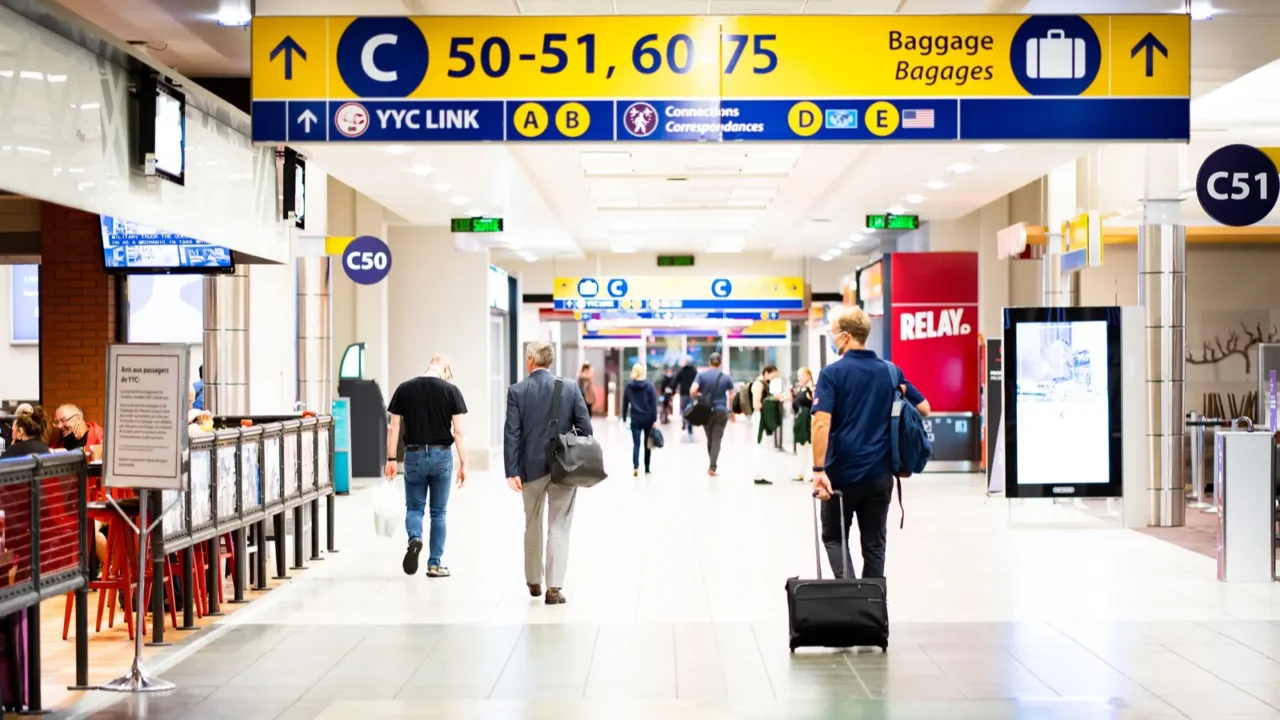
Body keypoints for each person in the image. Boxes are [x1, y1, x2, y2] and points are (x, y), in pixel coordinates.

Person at [811, 307, 930, 580]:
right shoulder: (890, 372)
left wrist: (819, 470)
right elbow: (924, 408)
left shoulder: (831, 374)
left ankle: (849, 598)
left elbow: (820, 423)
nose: (831, 337)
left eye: (832, 333)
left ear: (845, 336)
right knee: (875, 546)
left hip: (840, 475)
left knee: (834, 538)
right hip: (880, 475)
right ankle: (872, 611)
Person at [505, 341, 593, 605]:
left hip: (530, 469)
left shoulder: (517, 391)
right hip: (564, 468)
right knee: (559, 526)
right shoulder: (569, 388)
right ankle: (554, 589)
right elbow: (586, 429)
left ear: (531, 360)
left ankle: (534, 581)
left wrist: (512, 470)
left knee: (532, 523)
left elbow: (512, 432)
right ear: (550, 361)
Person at [385, 355, 468, 579]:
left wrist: (391, 459)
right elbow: (458, 432)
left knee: (414, 508)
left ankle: (414, 538)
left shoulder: (404, 389)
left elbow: (394, 426)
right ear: (445, 368)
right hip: (441, 455)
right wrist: (464, 463)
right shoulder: (451, 391)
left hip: (413, 455)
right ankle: (434, 565)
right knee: (439, 512)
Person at [690, 353, 735, 476]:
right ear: (720, 363)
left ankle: (712, 464)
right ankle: (712, 466)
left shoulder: (701, 376)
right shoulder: (727, 378)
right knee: (717, 439)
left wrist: (700, 395)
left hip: (706, 411)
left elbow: (692, 391)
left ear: (709, 362)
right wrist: (732, 412)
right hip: (721, 411)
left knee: (710, 438)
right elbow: (732, 396)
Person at [621, 362, 659, 477]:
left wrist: (624, 418)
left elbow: (625, 404)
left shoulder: (629, 386)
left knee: (636, 444)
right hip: (648, 418)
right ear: (643, 372)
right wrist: (655, 419)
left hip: (635, 419)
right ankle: (647, 468)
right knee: (647, 444)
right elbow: (653, 405)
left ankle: (635, 467)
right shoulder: (650, 386)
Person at [747, 364, 779, 485]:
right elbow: (757, 404)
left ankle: (760, 473)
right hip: (759, 417)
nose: (772, 379)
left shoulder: (762, 384)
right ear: (766, 373)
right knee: (759, 444)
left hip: (760, 416)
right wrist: (769, 401)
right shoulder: (759, 384)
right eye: (772, 376)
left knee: (761, 444)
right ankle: (758, 474)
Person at [791, 367, 816, 482]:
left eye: (802, 375)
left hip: (809, 420)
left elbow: (815, 403)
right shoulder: (800, 388)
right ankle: (801, 471)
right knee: (801, 446)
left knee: (810, 446)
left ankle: (812, 472)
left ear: (809, 376)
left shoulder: (812, 389)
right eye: (799, 375)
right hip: (800, 419)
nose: (800, 378)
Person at [675, 357, 698, 439]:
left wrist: (673, 390)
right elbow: (698, 382)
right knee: (691, 410)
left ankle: (684, 420)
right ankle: (690, 427)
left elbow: (676, 381)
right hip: (692, 394)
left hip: (684, 393)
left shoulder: (681, 371)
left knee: (684, 409)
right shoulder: (694, 371)